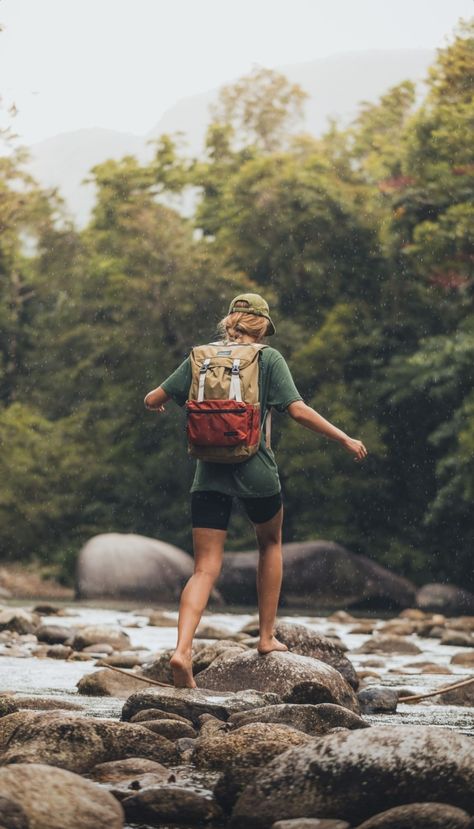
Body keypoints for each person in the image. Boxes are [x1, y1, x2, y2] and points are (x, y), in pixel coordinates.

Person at [144, 293, 368, 687]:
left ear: (230, 321)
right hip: (256, 469)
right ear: (262, 326)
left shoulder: (200, 357)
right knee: (270, 544)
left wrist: (156, 403)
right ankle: (266, 638)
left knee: (204, 567)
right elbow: (297, 409)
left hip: (208, 472)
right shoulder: (268, 358)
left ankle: (182, 651)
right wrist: (344, 437)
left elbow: (154, 398)